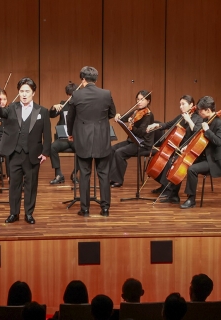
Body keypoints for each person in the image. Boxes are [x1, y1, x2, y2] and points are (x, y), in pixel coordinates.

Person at [0, 77, 51, 225]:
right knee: (14, 184)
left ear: (33, 93)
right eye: (21, 91)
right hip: (14, 152)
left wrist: (45, 152)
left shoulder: (42, 111)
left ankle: (29, 213)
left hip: (33, 153)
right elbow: (0, 113)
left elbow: (47, 134)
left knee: (31, 185)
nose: (24, 94)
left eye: (27, 91)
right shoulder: (12, 108)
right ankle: (14, 213)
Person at [163, 96, 221, 209]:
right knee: (181, 162)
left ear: (208, 110)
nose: (198, 112)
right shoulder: (205, 120)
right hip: (203, 156)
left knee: (192, 169)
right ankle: (173, 195)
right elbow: (197, 138)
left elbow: (218, 142)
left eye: (200, 110)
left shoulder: (219, 124)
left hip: (213, 160)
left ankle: (191, 199)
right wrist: (187, 147)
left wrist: (207, 130)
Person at [66, 66, 116, 217]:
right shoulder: (106, 94)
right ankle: (105, 209)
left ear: (83, 79)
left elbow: (70, 117)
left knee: (85, 175)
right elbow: (112, 113)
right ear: (96, 78)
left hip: (83, 139)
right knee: (104, 174)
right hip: (102, 138)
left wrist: (70, 133)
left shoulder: (76, 95)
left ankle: (85, 209)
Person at [146, 95, 201, 195]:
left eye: (183, 104)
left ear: (191, 105)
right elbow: (168, 124)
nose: (181, 107)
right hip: (177, 148)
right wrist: (156, 125)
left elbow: (197, 133)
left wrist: (189, 120)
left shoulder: (197, 118)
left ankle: (170, 191)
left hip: (188, 149)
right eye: (180, 104)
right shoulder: (181, 116)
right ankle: (164, 186)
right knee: (162, 160)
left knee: (170, 162)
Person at [109, 90, 155, 188]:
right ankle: (111, 177)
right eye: (138, 99)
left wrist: (132, 126)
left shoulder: (148, 115)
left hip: (143, 144)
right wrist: (118, 116)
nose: (139, 102)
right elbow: (123, 118)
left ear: (148, 101)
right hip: (133, 141)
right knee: (112, 149)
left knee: (119, 153)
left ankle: (118, 180)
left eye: (142, 99)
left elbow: (141, 132)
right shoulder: (136, 112)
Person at [49, 82, 79, 184]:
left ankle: (75, 173)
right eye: (69, 95)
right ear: (67, 95)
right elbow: (51, 115)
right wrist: (54, 107)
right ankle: (59, 174)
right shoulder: (63, 105)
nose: (71, 97)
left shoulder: (80, 106)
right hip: (64, 138)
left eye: (73, 95)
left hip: (76, 138)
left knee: (83, 149)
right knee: (52, 147)